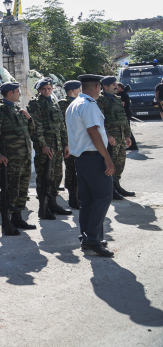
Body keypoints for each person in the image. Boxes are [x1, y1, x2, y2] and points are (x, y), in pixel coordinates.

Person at [64, 75, 115, 257]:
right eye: (100, 86)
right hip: (93, 158)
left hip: (82, 159)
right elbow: (93, 131)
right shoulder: (89, 104)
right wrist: (107, 158)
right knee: (103, 196)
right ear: (96, 86)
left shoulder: (74, 104)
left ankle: (87, 236)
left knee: (89, 200)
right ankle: (92, 239)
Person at [0, 82, 36, 231]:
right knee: (10, 190)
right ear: (9, 93)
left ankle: (17, 218)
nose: (19, 93)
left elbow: (31, 131)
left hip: (24, 157)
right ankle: (6, 222)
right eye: (17, 91)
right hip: (10, 159)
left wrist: (28, 118)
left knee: (22, 189)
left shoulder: (16, 109)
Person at [27, 78, 72, 219]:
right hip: (46, 148)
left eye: (49, 88)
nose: (47, 91)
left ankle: (53, 203)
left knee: (57, 176)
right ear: (39, 90)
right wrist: (43, 145)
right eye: (44, 89)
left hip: (57, 146)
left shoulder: (54, 102)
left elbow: (61, 126)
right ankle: (43, 207)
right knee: (44, 177)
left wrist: (65, 144)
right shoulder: (35, 104)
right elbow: (35, 127)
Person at [98, 76, 134, 199]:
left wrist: (128, 135)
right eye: (113, 84)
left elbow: (124, 119)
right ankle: (110, 189)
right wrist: (107, 135)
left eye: (116, 84)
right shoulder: (101, 100)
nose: (116, 86)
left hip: (121, 135)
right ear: (105, 86)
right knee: (110, 163)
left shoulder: (117, 99)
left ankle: (116, 185)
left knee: (120, 162)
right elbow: (100, 120)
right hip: (111, 137)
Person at [59, 80, 83, 209]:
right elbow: (63, 125)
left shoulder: (78, 102)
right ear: (74, 90)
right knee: (71, 170)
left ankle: (78, 195)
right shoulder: (64, 104)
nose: (81, 90)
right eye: (79, 88)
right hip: (70, 142)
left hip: (79, 141)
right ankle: (73, 197)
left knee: (79, 170)